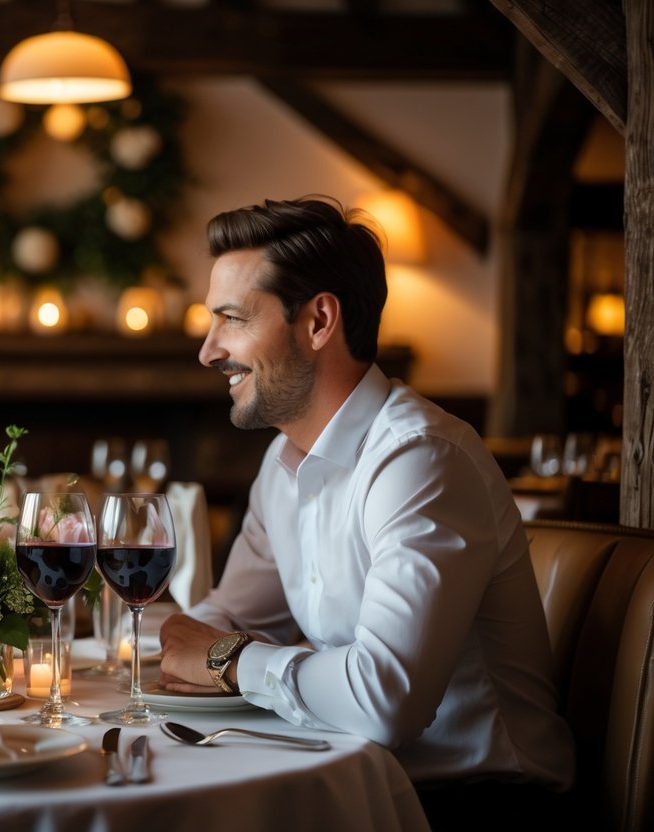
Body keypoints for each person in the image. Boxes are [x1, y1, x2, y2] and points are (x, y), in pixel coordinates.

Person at [158, 196, 574, 828]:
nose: (209, 351)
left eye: (232, 319)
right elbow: (226, 617)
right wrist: (181, 639)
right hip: (361, 783)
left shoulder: (420, 460)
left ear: (320, 320)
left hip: (483, 802)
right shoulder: (282, 463)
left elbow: (386, 702)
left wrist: (225, 659)